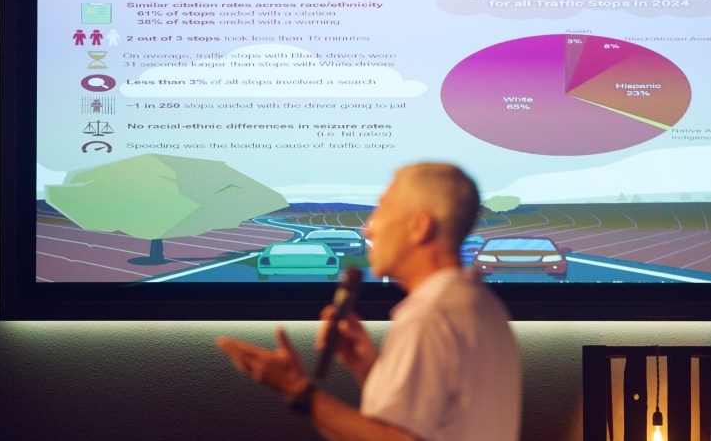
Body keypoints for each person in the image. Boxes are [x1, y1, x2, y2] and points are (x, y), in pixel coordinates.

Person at [216, 162, 521, 441]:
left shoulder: (430, 314)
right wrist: (370, 371)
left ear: (420, 226)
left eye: (382, 210)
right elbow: (432, 421)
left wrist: (297, 389)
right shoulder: (483, 306)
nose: (368, 227)